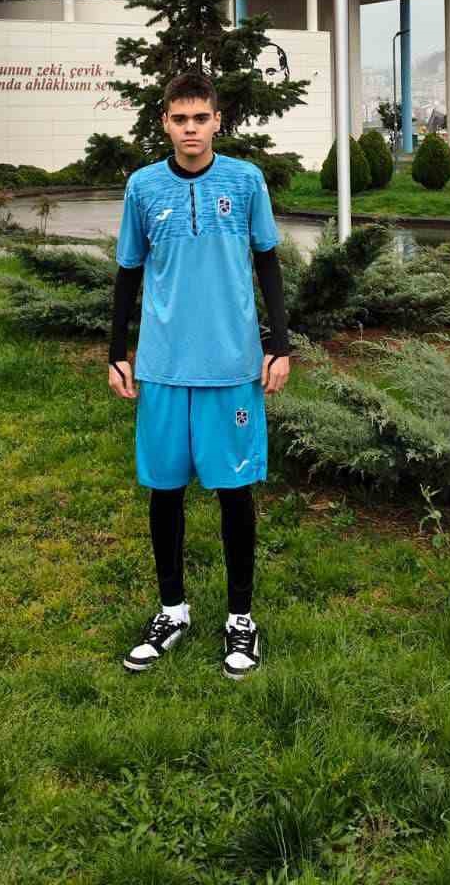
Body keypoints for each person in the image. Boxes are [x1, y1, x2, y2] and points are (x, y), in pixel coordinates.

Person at [108, 70, 290, 679]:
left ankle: (241, 619)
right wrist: (117, 352)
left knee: (235, 493)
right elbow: (128, 272)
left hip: (232, 365)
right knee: (165, 492)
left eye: (201, 118)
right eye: (180, 119)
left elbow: (267, 262)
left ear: (217, 121)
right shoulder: (142, 187)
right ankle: (172, 611)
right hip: (163, 366)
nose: (191, 129)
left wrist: (279, 344)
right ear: (165, 123)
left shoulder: (246, 181)